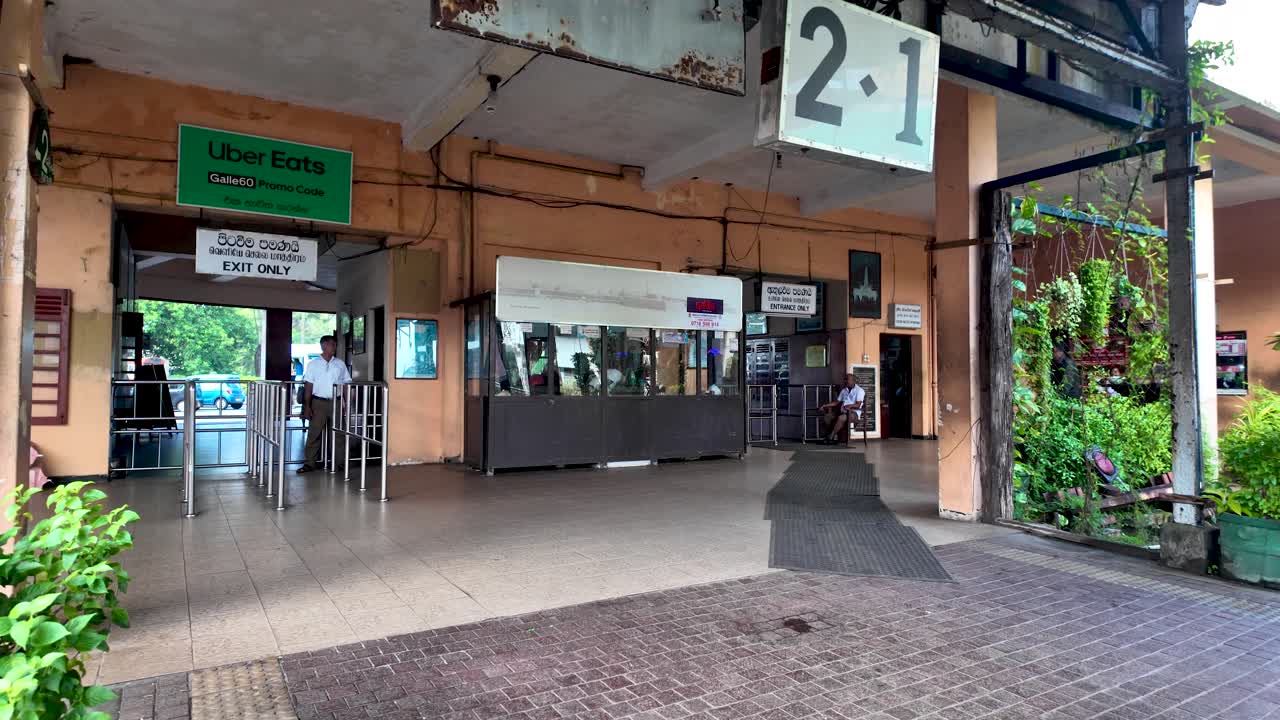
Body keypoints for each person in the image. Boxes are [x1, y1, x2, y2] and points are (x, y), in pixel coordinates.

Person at [297, 335, 351, 473]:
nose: (335, 347)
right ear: (323, 346)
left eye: (335, 344)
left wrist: (347, 403)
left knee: (339, 434)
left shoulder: (340, 364)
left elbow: (345, 384)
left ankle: (340, 463)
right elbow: (309, 386)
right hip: (318, 403)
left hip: (336, 402)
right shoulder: (313, 364)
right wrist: (307, 406)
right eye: (332, 344)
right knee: (314, 434)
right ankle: (310, 463)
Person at [821, 373, 865, 444]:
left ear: (853, 381)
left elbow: (858, 405)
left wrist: (849, 406)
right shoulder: (844, 390)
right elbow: (836, 403)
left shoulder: (859, 390)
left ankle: (831, 437)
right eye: (845, 379)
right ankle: (834, 436)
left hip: (854, 413)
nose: (845, 381)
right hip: (842, 412)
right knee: (827, 417)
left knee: (841, 418)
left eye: (847, 379)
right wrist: (825, 405)